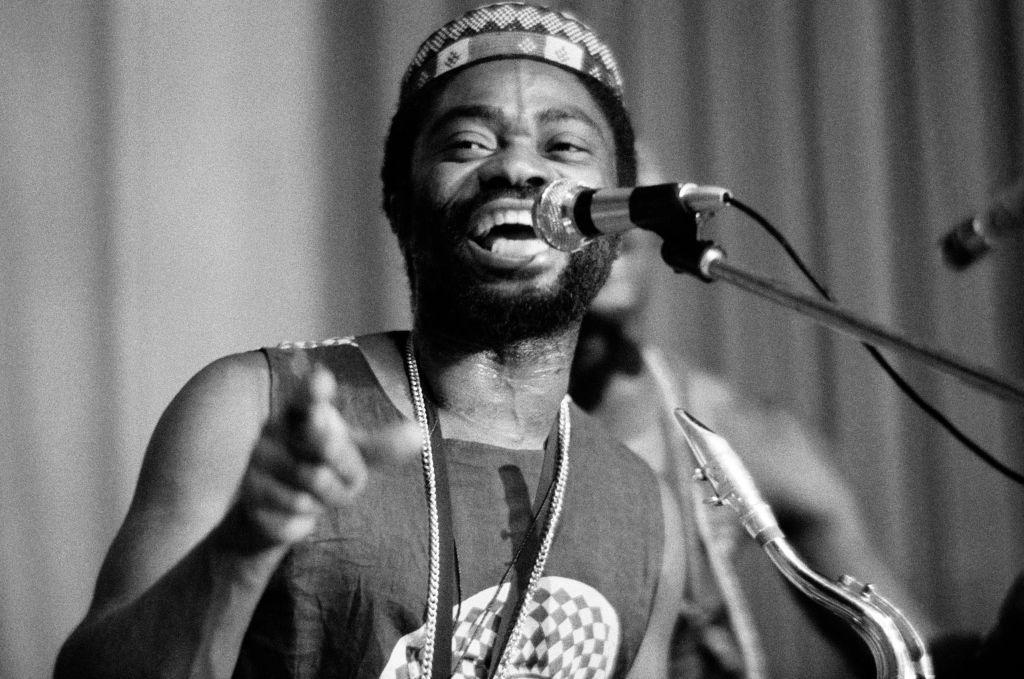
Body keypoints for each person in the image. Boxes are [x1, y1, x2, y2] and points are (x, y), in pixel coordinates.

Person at [55, 4, 753, 678]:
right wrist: (243, 547)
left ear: (616, 218)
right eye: (468, 143)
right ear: (401, 198)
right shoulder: (250, 408)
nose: (517, 168)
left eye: (564, 146)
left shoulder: (644, 507)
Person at [569, 228, 936, 678]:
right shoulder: (472, 437)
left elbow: (907, 655)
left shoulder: (731, 430)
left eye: (641, 203)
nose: (620, 232)